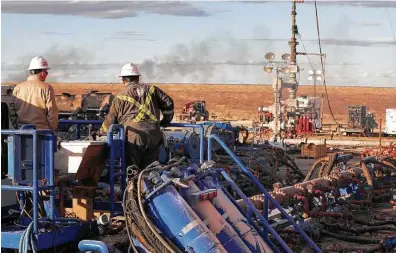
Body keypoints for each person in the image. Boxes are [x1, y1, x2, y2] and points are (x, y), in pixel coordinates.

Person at [99, 63, 174, 169]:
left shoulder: (120, 96)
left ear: (123, 80)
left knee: (132, 170)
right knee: (150, 171)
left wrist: (101, 132)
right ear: (138, 78)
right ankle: (148, 184)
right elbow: (168, 103)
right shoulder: (152, 89)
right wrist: (165, 122)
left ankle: (133, 185)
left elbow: (110, 119)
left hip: (133, 136)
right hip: (154, 134)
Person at [9, 56, 59, 131]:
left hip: (22, 132)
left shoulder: (17, 88)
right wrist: (53, 129)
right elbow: (52, 113)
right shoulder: (46, 88)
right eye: (46, 72)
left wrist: (17, 127)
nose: (46, 75)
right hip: (43, 133)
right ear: (42, 73)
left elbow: (12, 111)